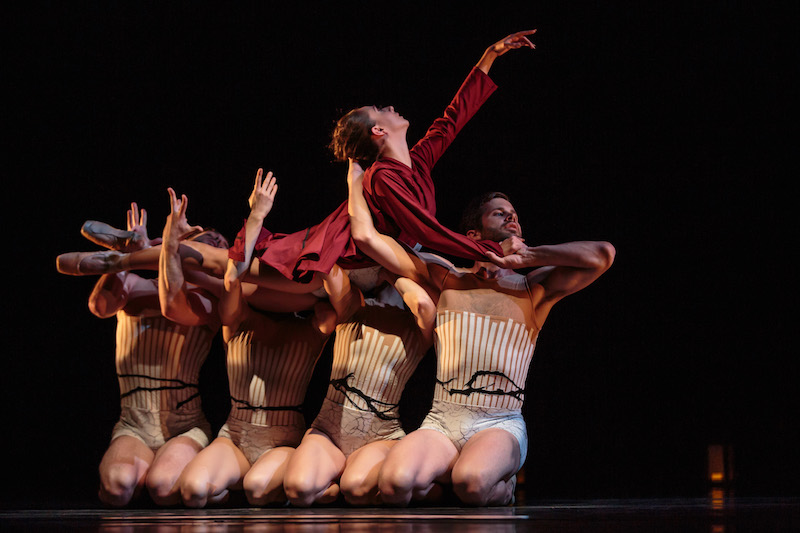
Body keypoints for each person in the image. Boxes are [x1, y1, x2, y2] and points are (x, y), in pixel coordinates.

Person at [344, 160, 616, 506]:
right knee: (394, 485)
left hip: (499, 422)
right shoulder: (446, 278)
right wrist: (355, 183)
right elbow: (368, 239)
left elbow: (603, 254)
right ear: (473, 235)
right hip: (442, 420)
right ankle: (448, 477)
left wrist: (529, 255)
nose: (511, 218)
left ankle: (495, 485)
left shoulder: (534, 289)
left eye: (513, 214)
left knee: (471, 484)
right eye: (499, 214)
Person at [226, 30, 537, 285]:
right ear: (378, 130)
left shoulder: (417, 162)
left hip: (373, 266)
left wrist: (491, 54)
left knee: (221, 270)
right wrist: (488, 250)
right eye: (380, 111)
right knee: (219, 266)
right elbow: (426, 230)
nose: (389, 108)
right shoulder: (382, 178)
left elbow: (451, 121)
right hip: (329, 256)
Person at [171, 173, 337, 507]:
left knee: (259, 489)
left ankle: (328, 487)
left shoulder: (312, 326)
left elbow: (336, 291)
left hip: (283, 439)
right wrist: (256, 216)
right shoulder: (237, 319)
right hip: (234, 435)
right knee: (192, 490)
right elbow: (233, 279)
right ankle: (238, 480)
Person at [82, 203, 226, 507]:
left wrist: (154, 250)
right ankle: (138, 476)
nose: (217, 247)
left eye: (221, 247)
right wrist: (128, 256)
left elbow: (171, 305)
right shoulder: (134, 284)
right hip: (135, 424)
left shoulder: (209, 302)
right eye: (211, 240)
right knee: (117, 489)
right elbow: (99, 306)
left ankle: (215, 485)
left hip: (184, 425)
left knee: (163, 487)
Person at [282, 265, 435, 506]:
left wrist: (391, 274)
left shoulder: (419, 327)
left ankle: (350, 479)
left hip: (380, 435)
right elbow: (330, 270)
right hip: (328, 432)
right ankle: (337, 477)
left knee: (356, 489)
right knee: (298, 491)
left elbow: (424, 304)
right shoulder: (353, 308)